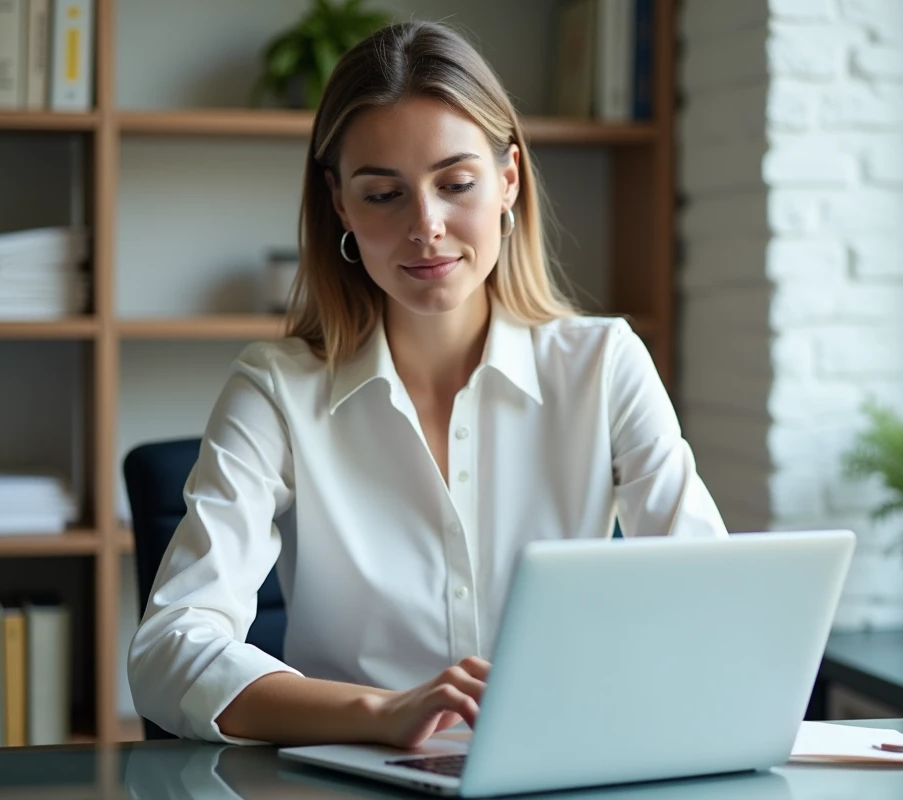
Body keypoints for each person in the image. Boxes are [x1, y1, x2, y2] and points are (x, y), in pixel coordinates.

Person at [127, 20, 727, 748]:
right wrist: (379, 713)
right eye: (384, 195)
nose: (427, 226)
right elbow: (169, 650)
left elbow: (710, 602)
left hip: (558, 766)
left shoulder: (603, 365)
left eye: (456, 184)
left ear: (508, 181)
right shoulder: (276, 390)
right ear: (340, 203)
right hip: (346, 778)